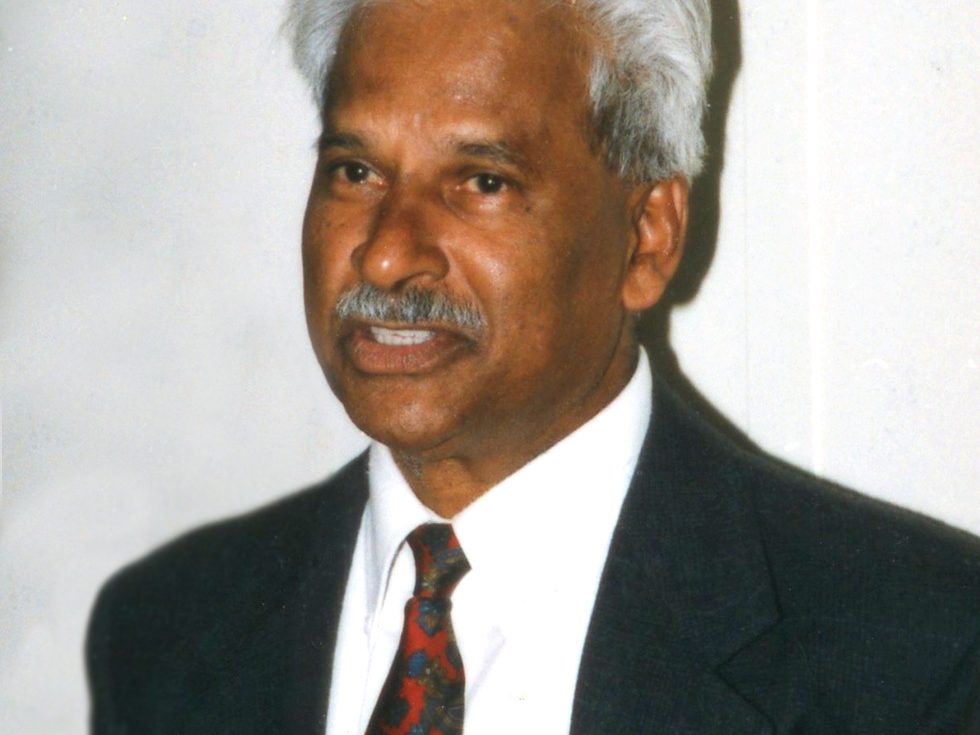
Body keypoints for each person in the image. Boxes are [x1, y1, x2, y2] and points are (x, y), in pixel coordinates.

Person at [85, 0, 980, 732]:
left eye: (481, 181)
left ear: (646, 237)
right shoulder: (165, 634)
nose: (389, 255)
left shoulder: (917, 654)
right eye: (355, 170)